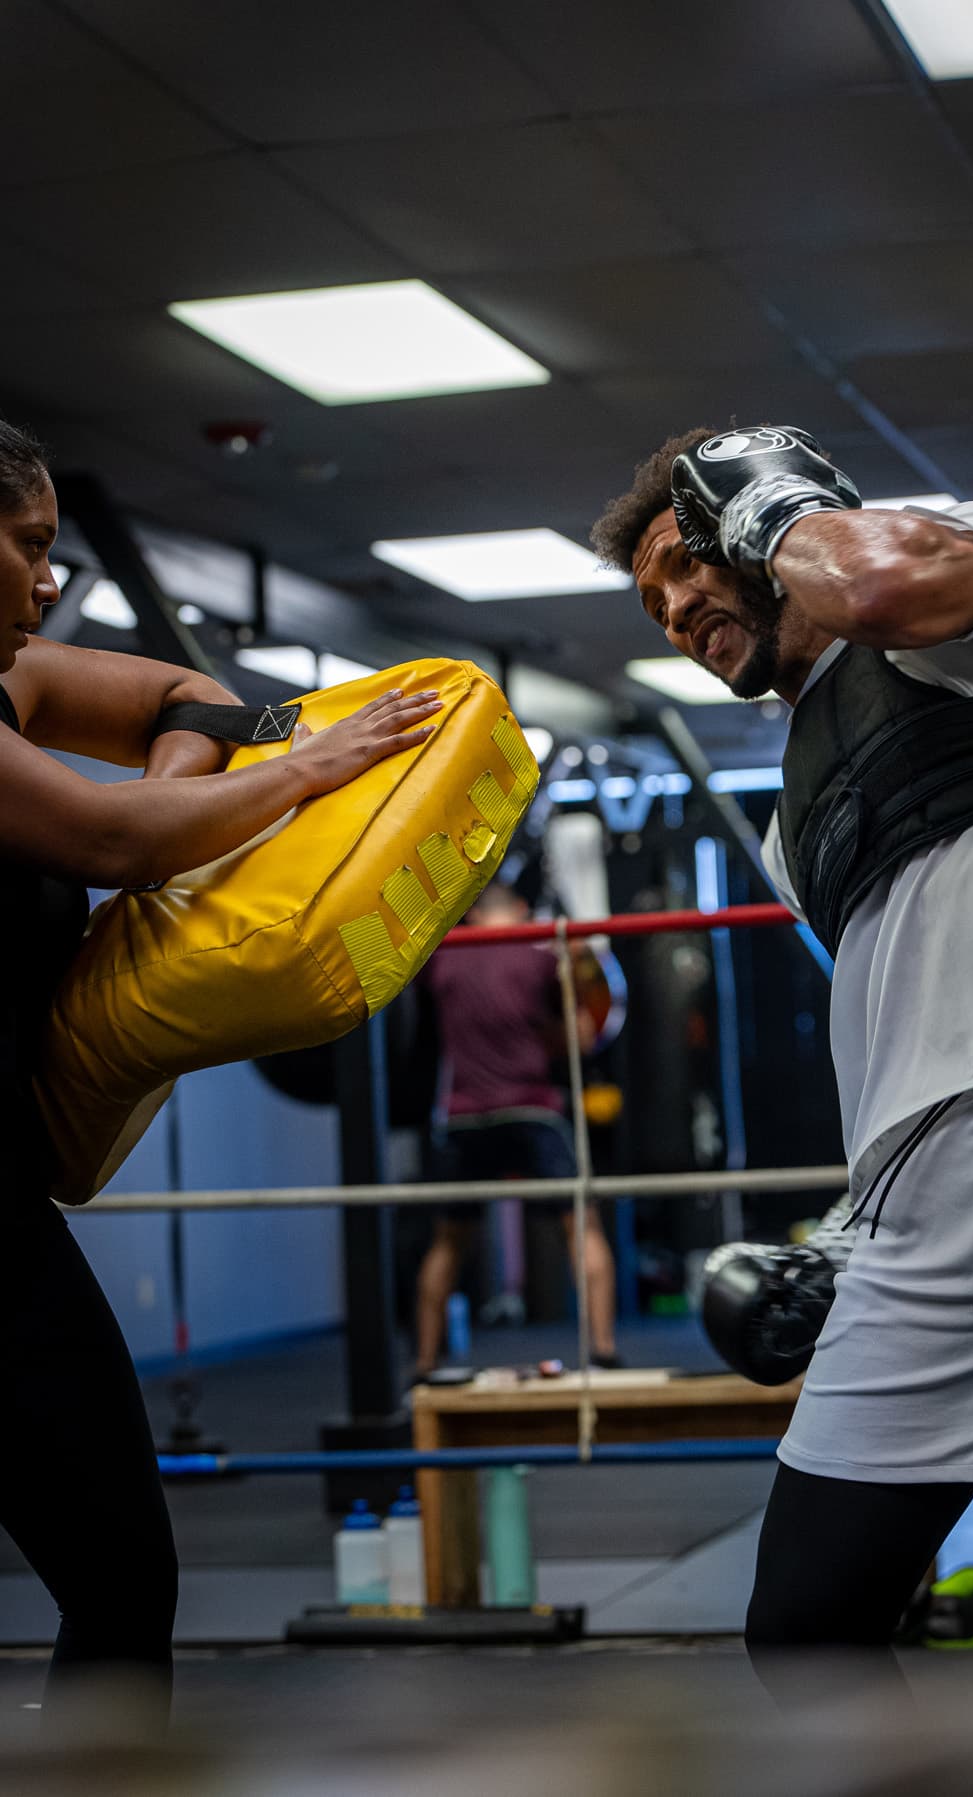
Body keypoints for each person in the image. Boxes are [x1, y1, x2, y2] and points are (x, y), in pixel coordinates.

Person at [590, 422, 973, 1677]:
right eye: (653, 602)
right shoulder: (791, 816)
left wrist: (770, 507)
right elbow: (906, 1005)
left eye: (686, 566)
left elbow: (874, 583)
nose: (675, 610)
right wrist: (844, 1236)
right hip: (920, 1201)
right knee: (806, 1628)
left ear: (756, 522)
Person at [0, 416, 444, 1722]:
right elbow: (114, 836)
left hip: (3, 1221)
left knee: (121, 1576)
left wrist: (186, 784)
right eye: (28, 547)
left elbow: (183, 705)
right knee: (121, 1576)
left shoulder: (13, 687)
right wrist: (302, 772)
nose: (46, 581)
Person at [412, 878, 619, 1377]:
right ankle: (605, 1352)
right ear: (522, 910)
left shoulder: (441, 959)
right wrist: (575, 966)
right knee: (581, 1225)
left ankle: (422, 1364)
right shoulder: (538, 957)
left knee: (448, 1241)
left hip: (464, 1116)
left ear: (473, 914)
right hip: (531, 1109)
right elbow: (582, 1039)